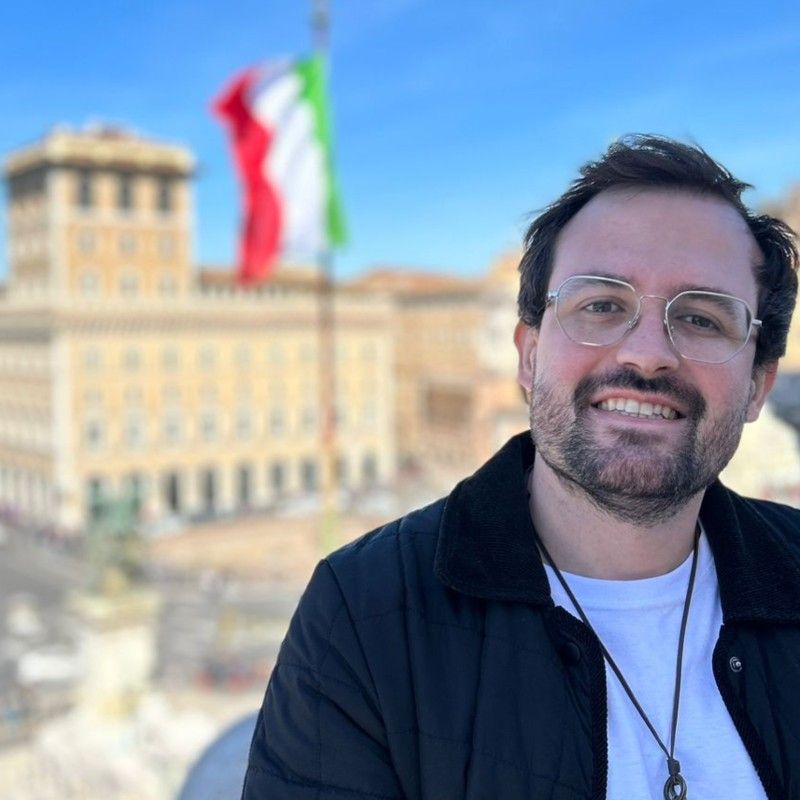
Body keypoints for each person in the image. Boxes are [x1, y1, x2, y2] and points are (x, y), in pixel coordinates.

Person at [241, 136, 800, 799]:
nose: (648, 355)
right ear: (528, 356)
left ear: (760, 382)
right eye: (601, 306)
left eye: (704, 318)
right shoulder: (363, 613)